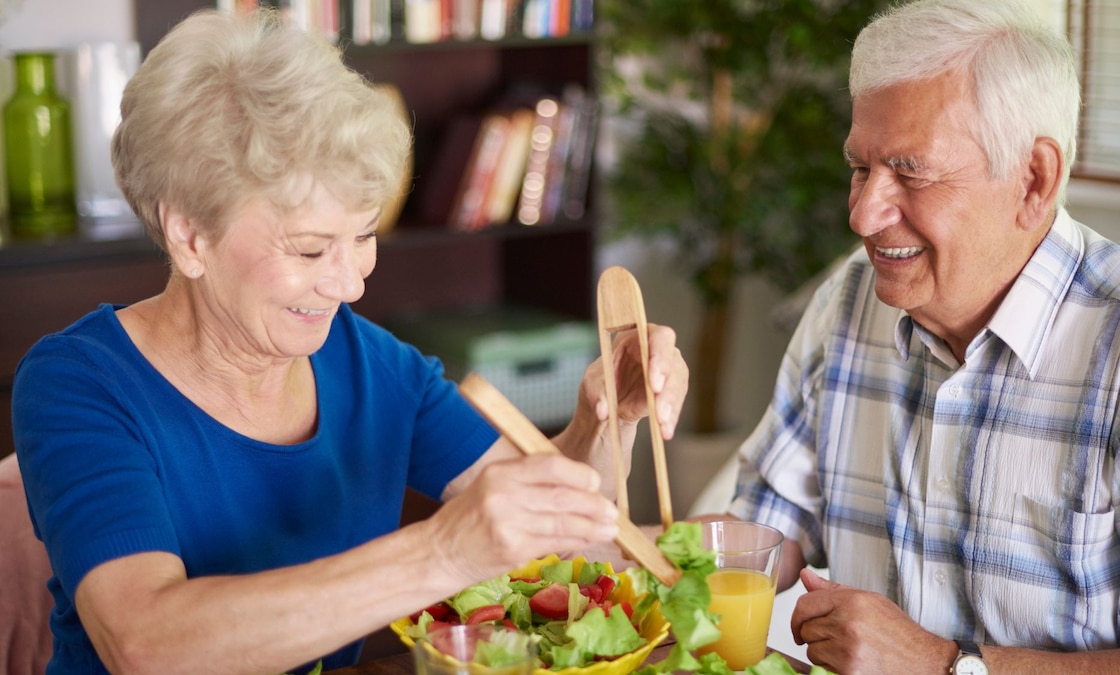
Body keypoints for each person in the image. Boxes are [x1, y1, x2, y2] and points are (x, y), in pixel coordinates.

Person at [11, 8, 688, 675]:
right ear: (190, 236)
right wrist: (444, 553)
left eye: (363, 237)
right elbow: (146, 644)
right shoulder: (80, 382)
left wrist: (607, 419)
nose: (349, 285)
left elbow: (562, 540)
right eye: (309, 249)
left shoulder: (374, 365)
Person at [720, 0, 1120, 673]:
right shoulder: (848, 302)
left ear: (1034, 179)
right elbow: (766, 533)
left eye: (910, 172)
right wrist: (596, 511)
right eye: (861, 168)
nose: (863, 213)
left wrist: (945, 664)